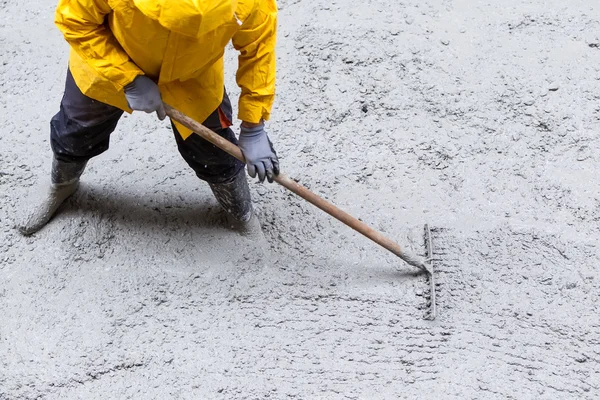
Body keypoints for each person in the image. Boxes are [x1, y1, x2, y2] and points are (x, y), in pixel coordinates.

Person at [18, 0, 279, 236]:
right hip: (109, 61)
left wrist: (253, 125)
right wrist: (128, 79)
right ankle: (62, 184)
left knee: (214, 151)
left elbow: (258, 52)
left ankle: (240, 211)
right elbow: (75, 20)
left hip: (192, 75)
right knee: (75, 131)